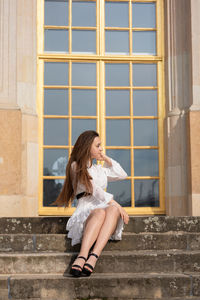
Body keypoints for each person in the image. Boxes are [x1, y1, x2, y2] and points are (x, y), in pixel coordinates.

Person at [54, 130, 129, 277]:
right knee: (102, 211)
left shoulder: (99, 169)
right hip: (87, 208)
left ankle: (94, 256)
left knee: (111, 210)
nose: (101, 148)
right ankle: (82, 256)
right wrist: (119, 205)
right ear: (87, 147)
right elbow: (94, 189)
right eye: (98, 145)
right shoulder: (76, 166)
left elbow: (122, 174)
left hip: (103, 207)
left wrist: (105, 158)